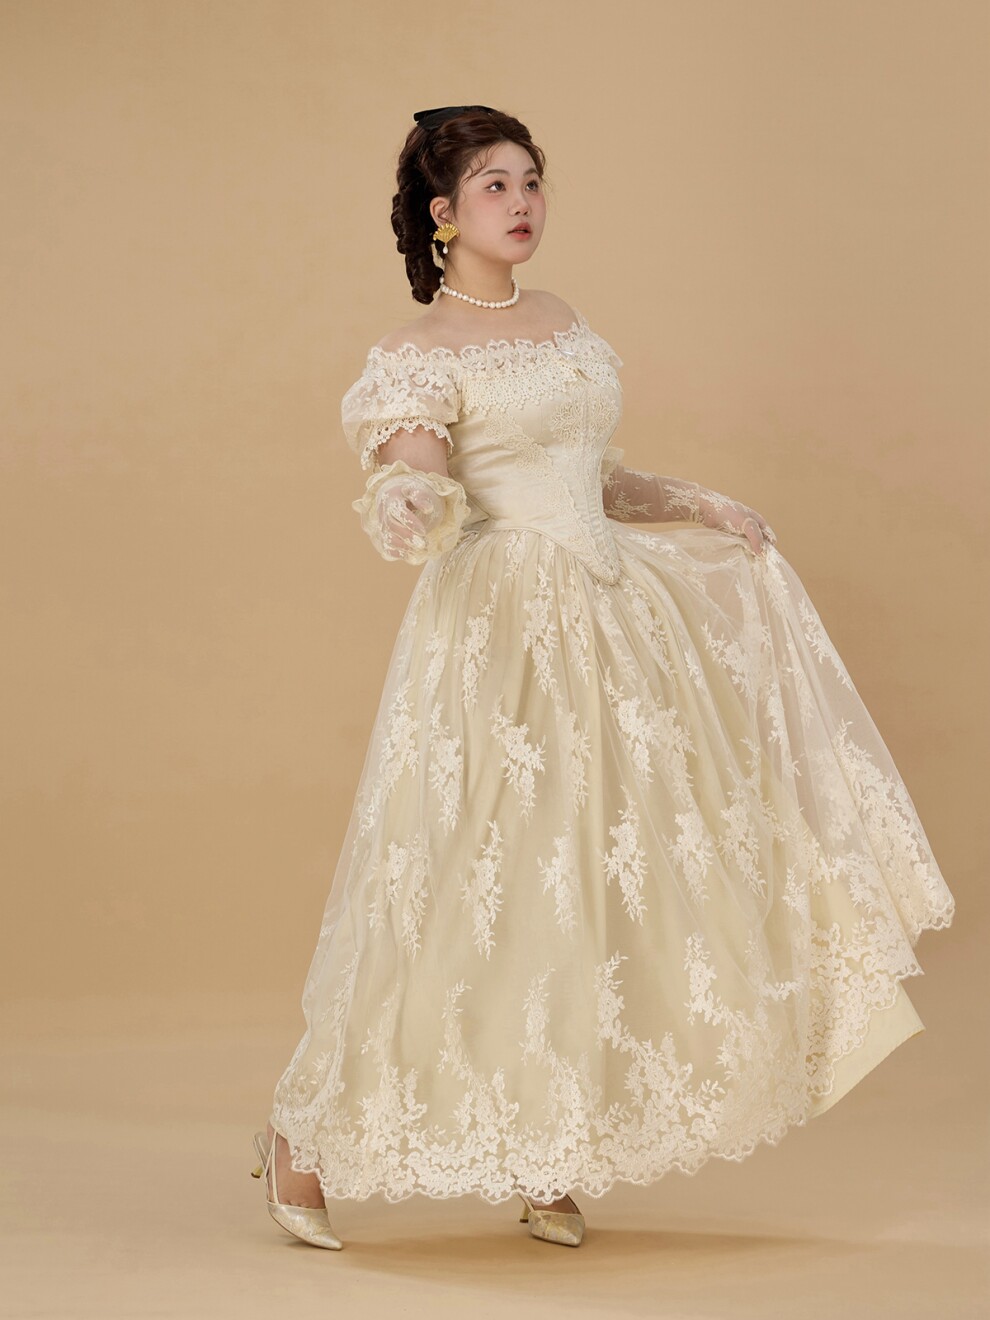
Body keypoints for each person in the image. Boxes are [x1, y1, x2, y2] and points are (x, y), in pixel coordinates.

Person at [250, 105, 955, 1251]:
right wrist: (406, 497)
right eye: (494, 184)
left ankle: (550, 1144)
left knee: (591, 887)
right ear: (444, 213)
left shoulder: (563, 321)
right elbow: (415, 466)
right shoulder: (419, 355)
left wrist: (698, 503)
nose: (522, 201)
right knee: (465, 882)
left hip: (612, 623)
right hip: (503, 634)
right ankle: (301, 1136)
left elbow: (592, 478)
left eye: (532, 180)